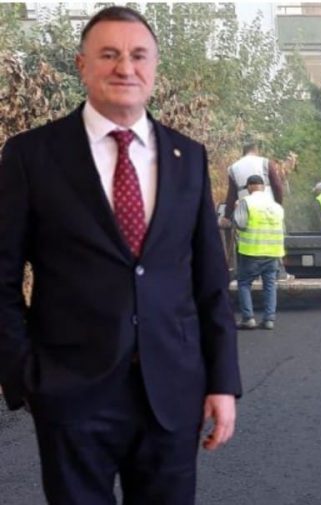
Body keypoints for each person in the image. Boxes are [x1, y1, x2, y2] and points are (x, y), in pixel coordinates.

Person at [0, 7, 241, 504]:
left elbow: (210, 282)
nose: (124, 68)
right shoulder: (30, 155)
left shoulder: (188, 157)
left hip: (172, 393)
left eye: (138, 55)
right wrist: (26, 375)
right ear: (81, 65)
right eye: (108, 55)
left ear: (154, 67)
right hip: (71, 392)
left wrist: (222, 383)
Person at [234, 175, 285, 330]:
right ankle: (269, 320)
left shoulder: (246, 202)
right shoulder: (276, 206)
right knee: (269, 285)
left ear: (249, 187)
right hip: (272, 252)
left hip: (251, 252)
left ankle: (248, 319)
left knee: (244, 283)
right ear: (263, 187)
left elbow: (240, 224)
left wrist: (234, 212)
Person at [223, 140, 284, 223]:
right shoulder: (265, 163)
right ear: (256, 151)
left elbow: (231, 196)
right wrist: (278, 206)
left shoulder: (233, 168)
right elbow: (277, 187)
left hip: (246, 215)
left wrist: (226, 216)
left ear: (243, 152)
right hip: (268, 213)